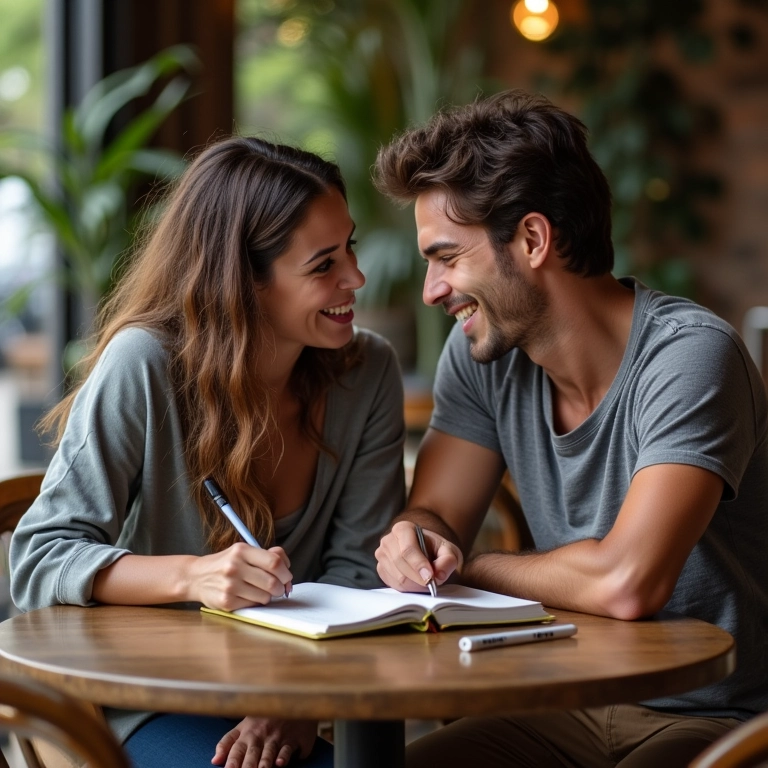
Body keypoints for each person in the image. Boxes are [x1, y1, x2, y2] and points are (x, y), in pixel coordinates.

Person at [372, 90, 768, 767]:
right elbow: (438, 509)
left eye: (447, 258)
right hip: (562, 703)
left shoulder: (690, 356)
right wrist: (419, 543)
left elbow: (627, 582)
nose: (432, 290)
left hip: (720, 717)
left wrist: (472, 568)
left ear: (532, 239)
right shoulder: (483, 354)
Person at [10, 136, 406, 768]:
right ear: (243, 283)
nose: (356, 278)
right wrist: (192, 577)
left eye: (350, 247)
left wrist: (294, 704)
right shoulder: (144, 365)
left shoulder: (368, 372)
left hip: (291, 698)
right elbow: (39, 557)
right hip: (134, 701)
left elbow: (360, 571)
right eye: (323, 264)